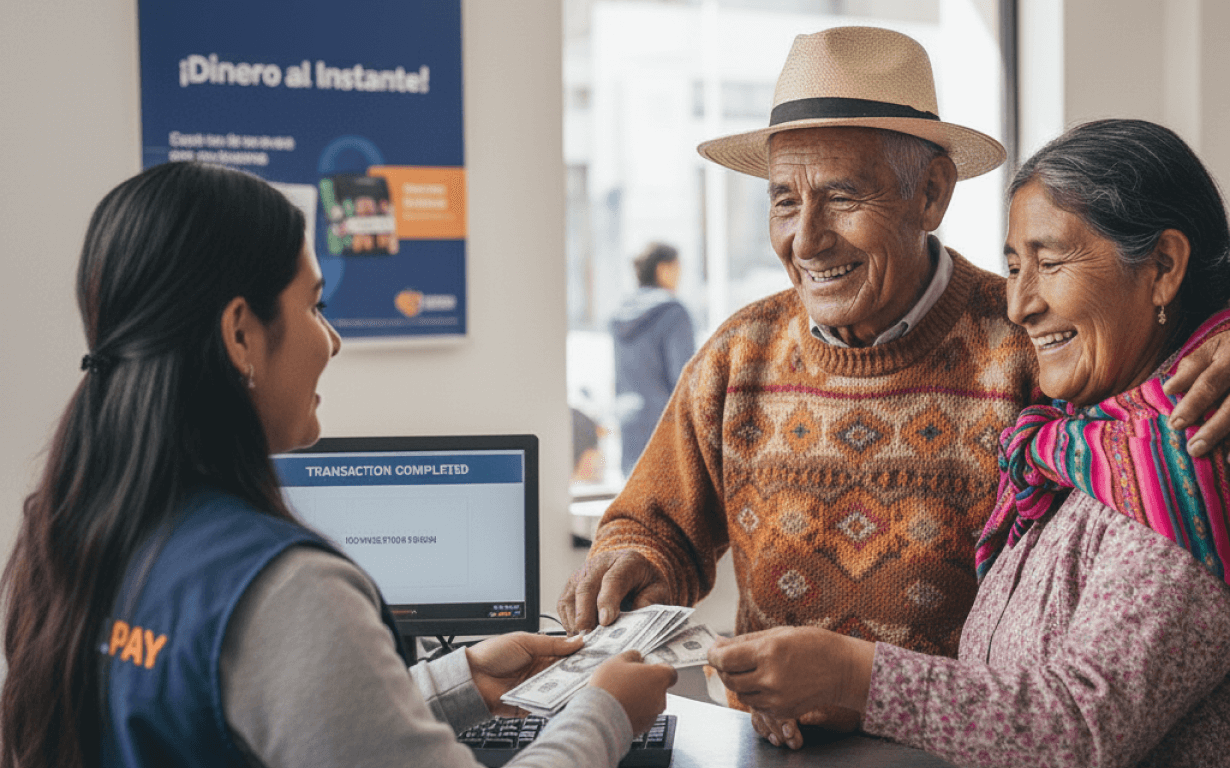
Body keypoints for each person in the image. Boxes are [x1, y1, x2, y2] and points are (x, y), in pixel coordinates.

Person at [558, 26, 1230, 741]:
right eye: (785, 201)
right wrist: (633, 563)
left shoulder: (1036, 348)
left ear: (932, 194)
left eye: (842, 197)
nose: (807, 240)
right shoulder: (738, 354)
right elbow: (653, 527)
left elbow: (1154, 364)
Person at [0, 162, 677, 768]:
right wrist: (606, 713)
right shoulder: (287, 591)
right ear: (241, 333)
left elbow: (254, 724)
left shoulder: (70, 532)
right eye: (315, 306)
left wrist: (460, 682)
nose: (334, 339)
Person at [708, 118, 1230, 766]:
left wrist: (856, 678)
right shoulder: (1084, 446)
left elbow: (1078, 729)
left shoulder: (1190, 456)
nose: (1020, 305)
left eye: (1051, 262)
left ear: (1164, 267)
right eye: (1015, 266)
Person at [610, 242, 695, 476]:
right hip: (664, 424)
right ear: (663, 269)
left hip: (628, 420)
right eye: (678, 267)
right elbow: (683, 377)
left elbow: (618, 376)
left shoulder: (619, 313)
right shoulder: (673, 312)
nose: (680, 275)